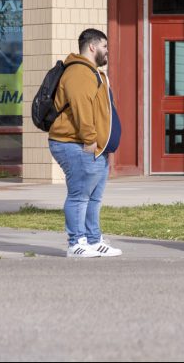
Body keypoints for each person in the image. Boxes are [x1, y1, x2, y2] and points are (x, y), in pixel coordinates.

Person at [49, 28, 122, 258]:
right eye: (105, 46)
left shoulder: (94, 73)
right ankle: (76, 242)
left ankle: (93, 239)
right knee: (79, 196)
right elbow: (82, 109)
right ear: (92, 47)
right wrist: (91, 140)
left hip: (95, 147)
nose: (107, 51)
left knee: (94, 196)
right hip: (75, 144)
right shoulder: (79, 72)